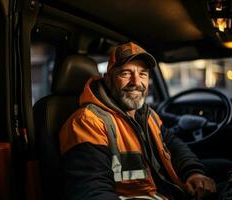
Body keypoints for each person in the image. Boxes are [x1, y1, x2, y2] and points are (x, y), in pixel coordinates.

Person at [59, 42, 216, 200]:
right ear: (107, 80)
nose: (136, 82)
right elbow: (92, 192)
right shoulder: (88, 122)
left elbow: (173, 144)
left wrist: (193, 172)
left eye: (143, 74)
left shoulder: (147, 115)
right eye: (126, 73)